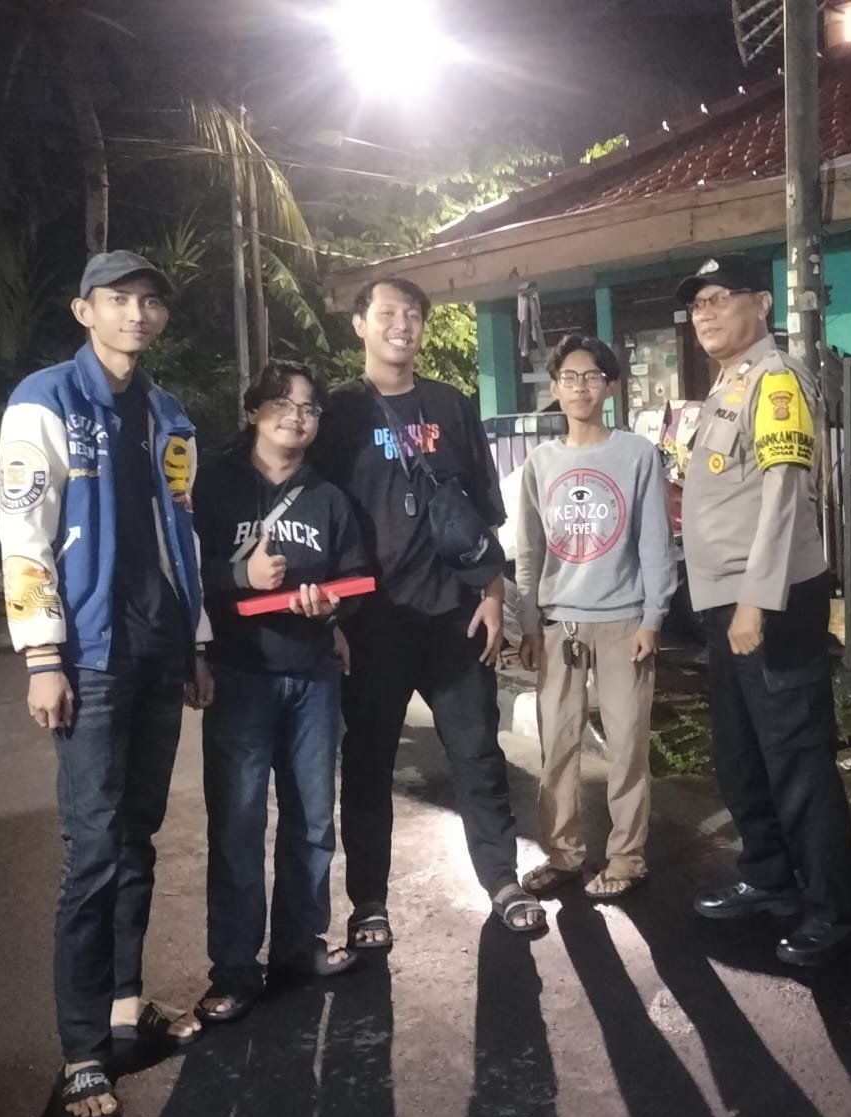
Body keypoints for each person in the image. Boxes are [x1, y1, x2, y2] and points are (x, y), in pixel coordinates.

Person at [0, 250, 214, 1117]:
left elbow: (184, 535)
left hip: (160, 650)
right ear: (84, 310)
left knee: (137, 838)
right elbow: (23, 530)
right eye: (119, 299)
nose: (137, 313)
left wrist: (196, 642)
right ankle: (82, 1048)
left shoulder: (169, 415)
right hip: (87, 658)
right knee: (91, 852)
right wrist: (41, 656)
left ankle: (125, 1007)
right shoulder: (44, 400)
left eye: (150, 301)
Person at [313, 277, 547, 947]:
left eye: (413, 313)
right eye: (388, 312)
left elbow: (483, 511)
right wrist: (332, 621)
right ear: (360, 324)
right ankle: (368, 903)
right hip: (371, 624)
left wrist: (494, 593)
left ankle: (502, 881)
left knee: (478, 756)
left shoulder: (450, 404)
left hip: (454, 617)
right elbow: (318, 519)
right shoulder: (338, 414)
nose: (403, 323)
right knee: (367, 765)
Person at [674, 253, 851, 967]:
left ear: (760, 303)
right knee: (741, 753)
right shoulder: (727, 384)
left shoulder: (776, 379)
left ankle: (835, 910)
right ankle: (768, 877)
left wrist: (755, 601)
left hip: (770, 603)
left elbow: (785, 494)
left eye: (719, 298)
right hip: (725, 602)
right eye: (697, 304)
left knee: (796, 759)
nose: (705, 313)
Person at [190, 361, 368, 1024]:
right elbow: (185, 570)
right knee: (238, 826)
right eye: (282, 405)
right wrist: (243, 575)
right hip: (239, 675)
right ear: (253, 412)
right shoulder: (215, 485)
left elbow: (355, 575)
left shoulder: (328, 497)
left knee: (312, 822)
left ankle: (301, 946)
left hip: (312, 676)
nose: (296, 417)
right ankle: (235, 969)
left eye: (309, 408)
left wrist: (334, 607)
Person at [514, 334, 678, 901]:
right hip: (558, 625)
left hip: (623, 622)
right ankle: (563, 854)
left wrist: (653, 617)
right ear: (555, 387)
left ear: (609, 386)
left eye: (591, 376)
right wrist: (529, 622)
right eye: (569, 377)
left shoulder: (636, 454)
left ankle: (627, 858)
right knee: (558, 747)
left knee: (627, 747)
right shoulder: (541, 462)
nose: (580, 387)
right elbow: (530, 550)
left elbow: (655, 542)